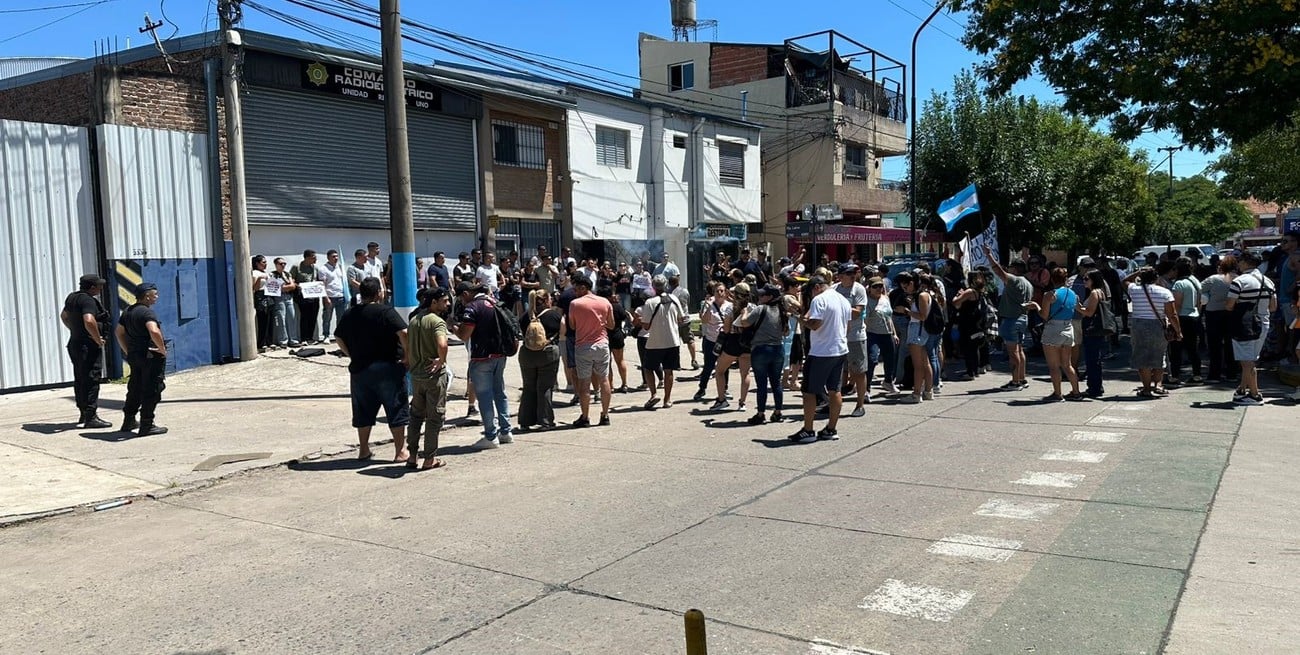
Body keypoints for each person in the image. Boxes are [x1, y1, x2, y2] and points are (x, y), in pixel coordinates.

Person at [334, 278, 409, 460]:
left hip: (360, 369)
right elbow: (404, 332)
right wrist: (408, 355)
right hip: (388, 367)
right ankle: (400, 451)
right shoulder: (386, 312)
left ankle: (364, 449)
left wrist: (351, 354)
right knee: (396, 408)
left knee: (363, 410)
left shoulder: (350, 313)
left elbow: (338, 337)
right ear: (378, 293)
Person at [789, 275, 850, 442]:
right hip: (840, 349)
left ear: (816, 287)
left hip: (821, 352)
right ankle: (831, 428)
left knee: (808, 391)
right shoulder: (843, 300)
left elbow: (815, 324)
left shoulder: (820, 300)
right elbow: (848, 325)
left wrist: (801, 319)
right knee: (835, 390)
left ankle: (808, 430)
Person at [458, 282, 514, 447]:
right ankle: (506, 431)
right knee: (500, 392)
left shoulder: (473, 307)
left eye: (461, 297)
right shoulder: (495, 303)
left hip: (482, 358)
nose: (461, 301)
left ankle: (490, 436)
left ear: (467, 293)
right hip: (500, 355)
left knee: (484, 396)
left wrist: (454, 328)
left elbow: (464, 334)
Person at [405, 287, 450, 470]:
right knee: (434, 417)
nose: (447, 304)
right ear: (434, 302)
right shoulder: (437, 322)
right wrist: (441, 360)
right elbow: (442, 344)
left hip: (416, 377)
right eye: (444, 300)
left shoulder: (414, 320)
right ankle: (429, 458)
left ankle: (412, 456)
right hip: (433, 377)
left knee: (415, 416)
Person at [115, 283, 168, 435]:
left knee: (135, 387)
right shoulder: (146, 313)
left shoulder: (127, 311)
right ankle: (147, 425)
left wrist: (127, 350)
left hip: (135, 355)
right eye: (155, 294)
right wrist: (162, 349)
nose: (156, 297)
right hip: (150, 356)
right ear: (147, 296)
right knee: (152, 389)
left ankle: (129, 420)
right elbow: (154, 331)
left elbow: (118, 332)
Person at [1226, 251, 1278, 405]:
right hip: (1263, 322)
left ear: (1245, 262)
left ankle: (1255, 394)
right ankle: (1242, 388)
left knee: (1246, 360)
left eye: (1240, 261)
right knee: (1251, 357)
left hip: (1245, 325)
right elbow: (1273, 307)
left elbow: (1229, 306)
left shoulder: (1239, 282)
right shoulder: (1268, 281)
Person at [62, 273, 112, 428]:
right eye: (99, 285)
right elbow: (89, 320)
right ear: (92, 287)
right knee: (91, 379)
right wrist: (97, 339)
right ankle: (91, 417)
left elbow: (64, 316)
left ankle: (83, 414)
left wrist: (75, 330)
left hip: (75, 343)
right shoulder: (88, 300)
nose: (101, 288)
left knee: (81, 378)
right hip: (87, 346)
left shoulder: (72, 297)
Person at [1029, 267, 1083, 401]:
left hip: (1053, 329)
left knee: (1054, 365)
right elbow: (1079, 308)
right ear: (1066, 279)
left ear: (1052, 279)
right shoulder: (1073, 294)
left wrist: (1036, 306)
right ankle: (1076, 392)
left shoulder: (1050, 295)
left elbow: (1044, 315)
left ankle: (1057, 394)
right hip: (1068, 328)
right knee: (1067, 364)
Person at [984, 244, 1033, 390]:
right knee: (1019, 349)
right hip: (1022, 318)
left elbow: (998, 271)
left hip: (1011, 319)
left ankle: (1015, 381)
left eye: (1011, 267)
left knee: (1013, 352)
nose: (1008, 269)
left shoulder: (1015, 280)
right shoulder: (1028, 284)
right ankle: (1022, 378)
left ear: (1015, 269)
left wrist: (989, 255)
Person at [568, 276, 615, 426]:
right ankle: (605, 414)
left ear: (583, 288)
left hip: (583, 346)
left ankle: (585, 416)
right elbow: (612, 325)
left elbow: (573, 325)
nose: (575, 292)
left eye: (577, 289)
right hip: (602, 344)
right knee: (604, 379)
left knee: (584, 382)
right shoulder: (605, 302)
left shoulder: (575, 304)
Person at [1127, 267, 1181, 398]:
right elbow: (1172, 314)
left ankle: (1146, 388)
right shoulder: (1164, 292)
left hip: (1138, 325)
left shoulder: (1134, 289)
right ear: (1156, 278)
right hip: (1158, 325)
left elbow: (1125, 281)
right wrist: (1178, 331)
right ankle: (1158, 384)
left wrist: (1138, 272)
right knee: (1159, 354)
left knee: (1142, 357)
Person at [636, 274, 686, 409]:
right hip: (673, 341)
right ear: (666, 285)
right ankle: (667, 399)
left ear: (653, 287)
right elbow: (681, 319)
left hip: (655, 342)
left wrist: (638, 320)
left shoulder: (650, 302)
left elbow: (646, 326)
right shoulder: (674, 298)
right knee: (669, 371)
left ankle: (653, 394)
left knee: (648, 368)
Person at [516, 289, 562, 431]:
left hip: (527, 355)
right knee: (545, 387)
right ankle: (545, 420)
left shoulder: (525, 317)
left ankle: (525, 420)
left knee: (528, 387)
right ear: (547, 300)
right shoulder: (554, 315)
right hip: (547, 354)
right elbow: (563, 330)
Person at [742, 285, 789, 424]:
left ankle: (761, 413)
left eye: (763, 295)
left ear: (770, 297)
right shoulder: (782, 311)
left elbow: (745, 323)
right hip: (777, 349)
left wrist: (744, 312)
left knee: (761, 383)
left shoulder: (760, 309)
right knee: (776, 383)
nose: (760, 297)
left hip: (760, 349)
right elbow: (786, 332)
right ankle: (778, 412)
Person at [710, 283, 753, 412]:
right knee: (745, 373)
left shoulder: (731, 308)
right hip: (748, 342)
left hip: (733, 342)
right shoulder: (753, 307)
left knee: (719, 370)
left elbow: (727, 329)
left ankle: (722, 399)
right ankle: (742, 402)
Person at [833, 264, 869, 417]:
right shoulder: (833, 289)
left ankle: (860, 405)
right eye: (848, 273)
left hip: (855, 337)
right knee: (835, 373)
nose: (852, 275)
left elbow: (857, 313)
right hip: (837, 337)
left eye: (854, 272)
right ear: (840, 276)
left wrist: (838, 306)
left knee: (859, 372)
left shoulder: (859, 289)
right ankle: (833, 404)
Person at [897, 272, 937, 404]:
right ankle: (928, 391)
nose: (904, 288)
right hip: (919, 330)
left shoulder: (922, 295)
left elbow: (922, 316)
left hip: (918, 330)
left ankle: (916, 393)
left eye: (905, 286)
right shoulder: (921, 295)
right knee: (925, 362)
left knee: (918, 365)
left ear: (912, 283)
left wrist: (906, 311)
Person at [1202, 255, 1239, 384]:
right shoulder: (1239, 279)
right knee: (1231, 344)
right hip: (1233, 313)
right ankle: (1232, 373)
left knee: (1214, 345)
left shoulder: (1213, 279)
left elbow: (1199, 290)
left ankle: (1214, 374)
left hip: (1213, 314)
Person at [1169, 257, 1204, 385]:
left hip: (1182, 318)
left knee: (1176, 348)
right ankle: (1197, 375)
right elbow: (1200, 302)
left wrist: (1172, 321)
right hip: (1194, 316)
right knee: (1193, 348)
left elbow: (1177, 305)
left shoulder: (1179, 284)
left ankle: (1175, 376)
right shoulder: (1195, 281)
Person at [951, 271, 989, 382]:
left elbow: (955, 302)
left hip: (967, 322)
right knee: (974, 347)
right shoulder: (979, 291)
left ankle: (970, 371)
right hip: (975, 322)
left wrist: (958, 295)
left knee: (968, 348)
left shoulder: (969, 291)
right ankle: (975, 369)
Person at [1078, 270, 1111, 397]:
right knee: (1094, 359)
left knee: (1092, 359)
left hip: (1092, 329)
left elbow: (1089, 312)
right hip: (1098, 329)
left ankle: (1094, 388)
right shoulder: (1100, 292)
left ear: (1094, 280)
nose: (1084, 281)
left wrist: (1077, 306)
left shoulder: (1094, 293)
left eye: (1087, 279)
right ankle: (1096, 386)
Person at [695, 281, 729, 401]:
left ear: (725, 293)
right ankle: (702, 388)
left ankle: (724, 389)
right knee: (708, 366)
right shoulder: (709, 305)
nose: (719, 293)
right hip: (711, 340)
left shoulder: (729, 305)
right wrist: (708, 307)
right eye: (717, 291)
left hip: (724, 340)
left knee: (725, 366)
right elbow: (704, 320)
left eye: (722, 291)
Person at [597, 285, 631, 393]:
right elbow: (623, 317)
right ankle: (624, 383)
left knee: (607, 363)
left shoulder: (599, 308)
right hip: (617, 334)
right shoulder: (616, 306)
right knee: (620, 360)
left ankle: (610, 386)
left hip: (604, 336)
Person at [270, 257, 300, 347]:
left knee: (292, 318)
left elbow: (293, 286)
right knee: (281, 319)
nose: (283, 265)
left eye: (284, 264)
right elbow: (278, 288)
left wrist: (287, 287)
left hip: (289, 298)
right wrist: (287, 287)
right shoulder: (272, 275)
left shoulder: (287, 274)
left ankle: (293, 340)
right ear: (276, 265)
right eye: (281, 264)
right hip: (279, 298)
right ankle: (283, 341)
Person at [669, 276, 697, 369]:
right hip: (685, 319)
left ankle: (676, 363)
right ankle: (694, 359)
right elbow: (687, 302)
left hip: (674, 321)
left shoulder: (669, 294)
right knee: (690, 340)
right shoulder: (685, 291)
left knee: (675, 343)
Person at [320, 250, 347, 342]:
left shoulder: (340, 267)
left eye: (336, 256)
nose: (336, 258)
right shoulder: (323, 269)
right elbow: (322, 285)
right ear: (328, 258)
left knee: (341, 319)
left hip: (340, 296)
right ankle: (326, 336)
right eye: (333, 257)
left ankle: (339, 336)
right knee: (327, 318)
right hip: (330, 297)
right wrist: (326, 297)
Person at [251, 255, 274, 352]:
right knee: (262, 320)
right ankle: (262, 343)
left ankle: (269, 341)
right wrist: (260, 278)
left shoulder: (266, 273)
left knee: (270, 320)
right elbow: (254, 288)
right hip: (260, 296)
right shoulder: (255, 273)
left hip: (269, 295)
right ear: (257, 263)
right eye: (263, 262)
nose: (265, 264)